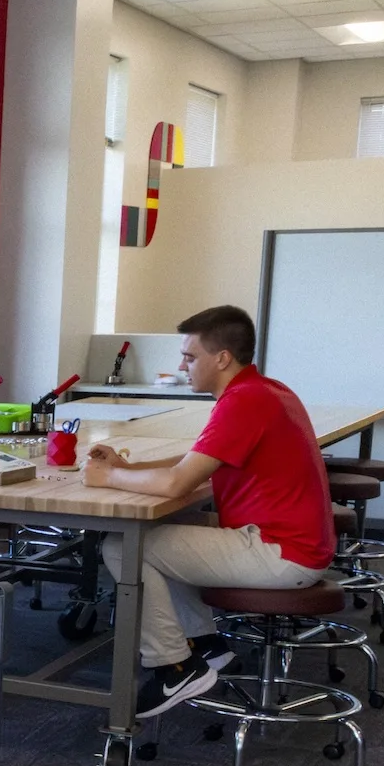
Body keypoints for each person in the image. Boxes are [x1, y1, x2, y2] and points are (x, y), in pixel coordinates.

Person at [84, 304, 335, 718]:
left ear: (221, 359)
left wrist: (107, 477)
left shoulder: (244, 401)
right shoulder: (263, 390)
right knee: (166, 525)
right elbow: (196, 461)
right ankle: (205, 644)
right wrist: (129, 468)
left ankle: (174, 667)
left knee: (124, 546)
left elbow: (178, 484)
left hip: (282, 552)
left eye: (189, 356)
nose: (181, 366)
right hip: (292, 540)